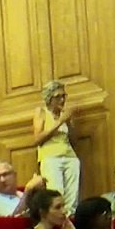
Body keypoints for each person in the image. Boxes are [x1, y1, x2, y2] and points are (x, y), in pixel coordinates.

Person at [34, 80, 80, 214]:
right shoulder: (41, 112)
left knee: (72, 198)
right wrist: (60, 121)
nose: (62, 99)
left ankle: (70, 224)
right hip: (51, 158)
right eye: (58, 96)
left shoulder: (65, 114)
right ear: (49, 98)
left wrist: (69, 122)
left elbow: (74, 141)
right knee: (56, 194)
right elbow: (38, 139)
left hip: (70, 157)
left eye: (64, 96)